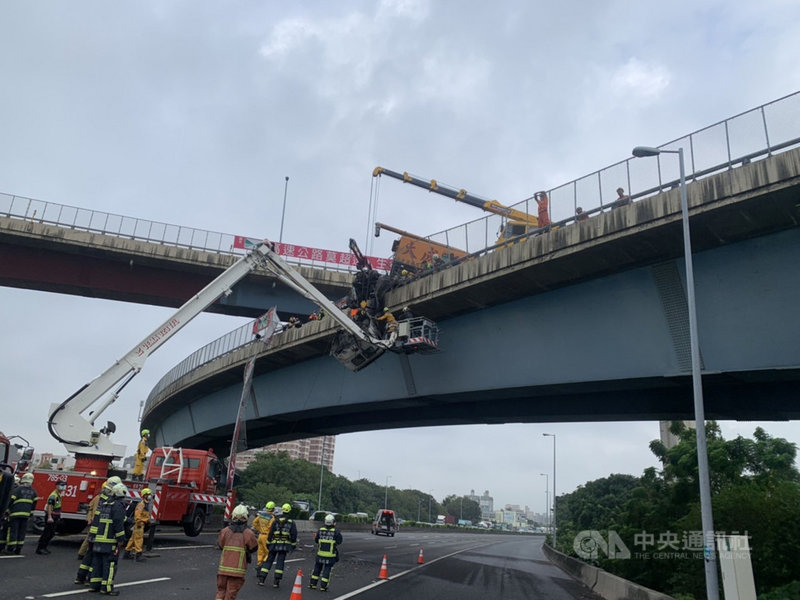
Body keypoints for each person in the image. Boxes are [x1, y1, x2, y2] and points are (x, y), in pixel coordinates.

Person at [76, 476, 121, 584]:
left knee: (89, 554)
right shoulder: (109, 501)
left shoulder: (99, 497)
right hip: (101, 534)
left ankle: (80, 577)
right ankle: (91, 579)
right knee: (96, 558)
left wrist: (89, 519)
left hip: (94, 531)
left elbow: (90, 508)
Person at [88, 482, 128, 595]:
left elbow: (97, 520)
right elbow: (118, 524)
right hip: (110, 541)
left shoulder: (104, 504)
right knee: (110, 564)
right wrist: (121, 539)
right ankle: (107, 588)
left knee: (97, 563)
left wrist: (93, 537)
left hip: (98, 539)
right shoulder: (118, 506)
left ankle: (94, 585)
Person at [216, 504, 257, 600]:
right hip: (237, 571)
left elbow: (221, 545)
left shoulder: (225, 531)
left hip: (223, 569)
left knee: (221, 592)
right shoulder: (248, 533)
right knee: (230, 594)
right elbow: (253, 548)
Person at [258, 503, 297, 588]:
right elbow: (293, 535)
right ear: (289, 511)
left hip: (274, 544)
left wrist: (268, 543)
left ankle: (262, 579)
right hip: (284, 546)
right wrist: (293, 545)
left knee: (269, 560)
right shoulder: (291, 522)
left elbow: (271, 532)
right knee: (280, 562)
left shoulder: (276, 520)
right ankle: (276, 581)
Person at [4, 472, 38, 555]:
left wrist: (6, 511)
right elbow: (34, 505)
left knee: (13, 531)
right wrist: (30, 514)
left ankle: (10, 549)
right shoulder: (34, 492)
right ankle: (18, 549)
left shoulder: (18, 490)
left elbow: (10, 501)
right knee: (22, 532)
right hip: (25, 515)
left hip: (15, 514)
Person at [309, 514, 343, 592]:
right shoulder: (336, 532)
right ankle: (323, 587)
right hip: (330, 555)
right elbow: (339, 541)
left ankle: (313, 584)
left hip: (320, 554)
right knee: (327, 570)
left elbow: (316, 540)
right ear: (332, 522)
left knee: (317, 569)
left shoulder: (320, 530)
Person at [36, 480, 66, 555]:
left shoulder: (58, 495)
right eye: (61, 485)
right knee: (47, 533)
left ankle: (44, 547)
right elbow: (49, 506)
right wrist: (49, 517)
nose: (63, 487)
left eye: (64, 485)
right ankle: (40, 548)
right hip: (52, 516)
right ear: (57, 486)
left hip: (55, 516)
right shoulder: (54, 495)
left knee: (51, 533)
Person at [123, 488, 152, 561]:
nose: (150, 496)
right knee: (139, 539)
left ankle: (127, 553)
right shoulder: (141, 504)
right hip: (139, 524)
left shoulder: (146, 504)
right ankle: (138, 555)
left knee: (133, 539)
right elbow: (137, 515)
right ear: (144, 495)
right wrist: (142, 521)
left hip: (141, 523)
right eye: (148, 494)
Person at [251, 501, 275, 571]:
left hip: (260, 535)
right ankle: (263, 563)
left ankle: (259, 564)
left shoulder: (261, 515)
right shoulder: (271, 517)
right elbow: (271, 527)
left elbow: (254, 522)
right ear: (273, 509)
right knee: (268, 551)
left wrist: (259, 529)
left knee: (260, 551)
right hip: (266, 536)